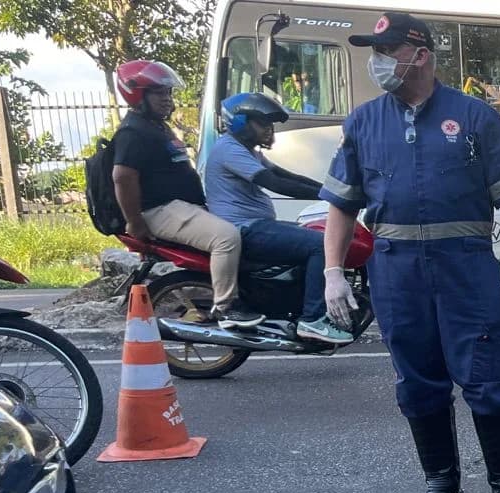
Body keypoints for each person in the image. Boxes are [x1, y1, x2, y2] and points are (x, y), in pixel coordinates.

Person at [319, 12, 500, 493]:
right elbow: (341, 205)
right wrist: (333, 271)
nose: (377, 62)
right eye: (374, 52)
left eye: (387, 51)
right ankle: (442, 484)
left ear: (420, 55)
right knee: (417, 381)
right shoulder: (363, 122)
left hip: (465, 270)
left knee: (487, 377)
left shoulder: (474, 117)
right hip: (396, 272)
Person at [205, 92, 351, 344]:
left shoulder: (248, 151)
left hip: (258, 225)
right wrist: (332, 197)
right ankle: (313, 319)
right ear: (239, 122)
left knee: (313, 233)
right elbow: (273, 183)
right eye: (262, 123)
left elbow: (286, 175)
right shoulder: (229, 149)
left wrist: (330, 189)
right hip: (247, 230)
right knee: (320, 245)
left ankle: (299, 307)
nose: (268, 130)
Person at [110, 60, 248, 324]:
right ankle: (227, 309)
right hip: (160, 210)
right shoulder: (133, 132)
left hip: (180, 207)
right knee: (226, 238)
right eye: (159, 93)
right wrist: (135, 221)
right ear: (138, 94)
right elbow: (123, 177)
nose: (167, 99)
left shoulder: (155, 126)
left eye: (168, 93)